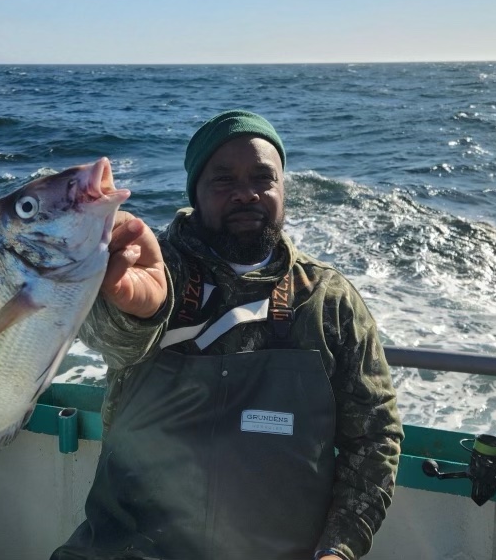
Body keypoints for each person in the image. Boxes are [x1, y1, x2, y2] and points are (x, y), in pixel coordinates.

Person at [51, 110, 403, 560]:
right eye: (223, 181)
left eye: (263, 178)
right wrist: (133, 311)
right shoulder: (158, 270)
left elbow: (375, 436)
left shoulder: (327, 300)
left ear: (283, 188)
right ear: (195, 194)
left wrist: (339, 548)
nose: (246, 194)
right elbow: (111, 339)